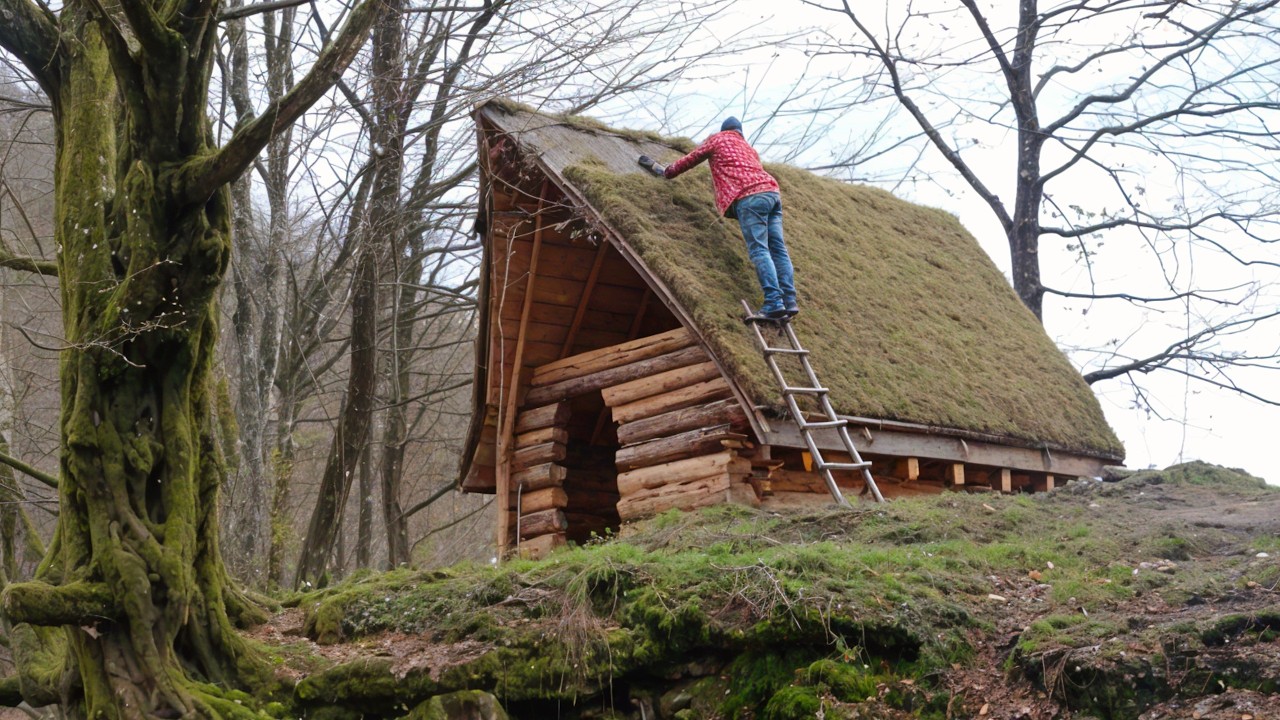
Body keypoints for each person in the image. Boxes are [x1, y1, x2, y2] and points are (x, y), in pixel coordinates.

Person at [663, 117, 798, 320]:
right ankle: (789, 300)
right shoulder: (748, 148)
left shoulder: (718, 139)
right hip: (771, 193)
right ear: (740, 132)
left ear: (724, 130)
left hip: (750, 196)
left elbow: (693, 157)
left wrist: (669, 171)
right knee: (778, 249)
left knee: (759, 249)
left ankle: (774, 302)